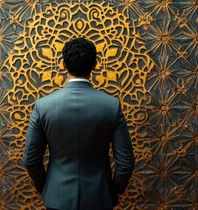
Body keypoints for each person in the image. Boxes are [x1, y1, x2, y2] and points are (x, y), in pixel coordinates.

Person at [23, 37, 135, 210]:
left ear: (63, 64)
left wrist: (48, 188)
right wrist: (114, 190)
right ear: (95, 65)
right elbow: (126, 162)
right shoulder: (111, 106)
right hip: (100, 197)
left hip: (56, 197)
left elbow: (30, 160)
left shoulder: (43, 106)